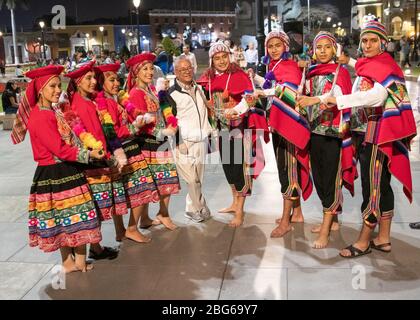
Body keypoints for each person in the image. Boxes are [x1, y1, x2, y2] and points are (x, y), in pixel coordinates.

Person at [299, 19, 417, 258]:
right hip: (368, 133)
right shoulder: (372, 65)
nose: (368, 44)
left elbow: (375, 96)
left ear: (383, 43)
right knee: (382, 186)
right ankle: (383, 238)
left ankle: (364, 240)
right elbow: (364, 71)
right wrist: (350, 61)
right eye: (364, 40)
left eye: (373, 40)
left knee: (372, 189)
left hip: (377, 135)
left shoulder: (387, 66)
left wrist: (334, 101)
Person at [11, 65, 104, 273]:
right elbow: (60, 150)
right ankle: (76, 261)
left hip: (58, 171)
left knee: (64, 219)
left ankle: (71, 262)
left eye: (58, 85)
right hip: (58, 172)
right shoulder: (41, 116)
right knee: (78, 216)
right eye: (52, 86)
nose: (57, 90)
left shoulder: (51, 110)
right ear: (40, 89)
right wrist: (87, 155)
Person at [295, 31, 356, 248]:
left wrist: (314, 100)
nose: (322, 51)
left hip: (332, 134)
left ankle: (326, 227)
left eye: (327, 47)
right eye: (318, 47)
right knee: (319, 178)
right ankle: (334, 219)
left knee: (329, 180)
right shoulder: (310, 73)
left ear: (334, 49)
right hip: (314, 132)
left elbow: (339, 99)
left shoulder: (341, 72)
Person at [198, 41, 269, 227]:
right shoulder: (209, 78)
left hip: (239, 130)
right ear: (212, 60)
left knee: (241, 170)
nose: (221, 61)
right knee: (229, 168)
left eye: (224, 57)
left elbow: (250, 99)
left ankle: (240, 210)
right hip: (221, 130)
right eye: (217, 58)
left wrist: (236, 111)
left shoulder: (239, 75)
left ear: (229, 57)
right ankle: (234, 202)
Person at [251, 31, 312, 238]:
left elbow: (288, 91)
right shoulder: (275, 67)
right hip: (281, 126)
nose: (274, 49)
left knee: (288, 173)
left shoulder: (289, 66)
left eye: (278, 45)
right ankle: (298, 213)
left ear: (285, 46)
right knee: (287, 169)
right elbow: (273, 86)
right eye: (270, 46)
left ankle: (285, 221)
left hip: (289, 127)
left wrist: (263, 92)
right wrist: (257, 79)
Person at [65, 60, 130, 255]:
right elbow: (86, 135)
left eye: (94, 77)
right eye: (89, 78)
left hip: (101, 159)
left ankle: (96, 246)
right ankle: (94, 247)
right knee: (95, 209)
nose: (94, 81)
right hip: (92, 163)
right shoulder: (79, 104)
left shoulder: (90, 101)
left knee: (99, 208)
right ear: (77, 82)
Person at [94, 63, 160, 243]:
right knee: (142, 186)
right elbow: (113, 130)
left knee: (120, 192)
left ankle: (120, 230)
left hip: (118, 149)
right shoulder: (107, 103)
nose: (116, 83)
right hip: (125, 147)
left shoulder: (112, 99)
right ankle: (131, 228)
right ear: (102, 83)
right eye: (111, 80)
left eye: (117, 79)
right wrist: (135, 126)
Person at [126, 52, 181, 230]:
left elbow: (159, 113)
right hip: (148, 143)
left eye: (151, 68)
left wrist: (169, 125)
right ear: (136, 72)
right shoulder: (135, 93)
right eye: (145, 69)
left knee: (162, 179)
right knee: (165, 179)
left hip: (157, 140)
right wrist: (163, 131)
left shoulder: (149, 90)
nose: (150, 72)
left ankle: (147, 218)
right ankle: (163, 214)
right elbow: (142, 123)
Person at [167, 56, 212, 222]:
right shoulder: (171, 94)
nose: (186, 71)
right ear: (176, 73)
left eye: (189, 68)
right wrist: (178, 141)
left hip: (200, 139)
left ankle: (190, 208)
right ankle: (199, 208)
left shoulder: (200, 88)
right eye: (182, 70)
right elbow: (169, 119)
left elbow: (206, 110)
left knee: (199, 179)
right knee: (192, 180)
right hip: (182, 143)